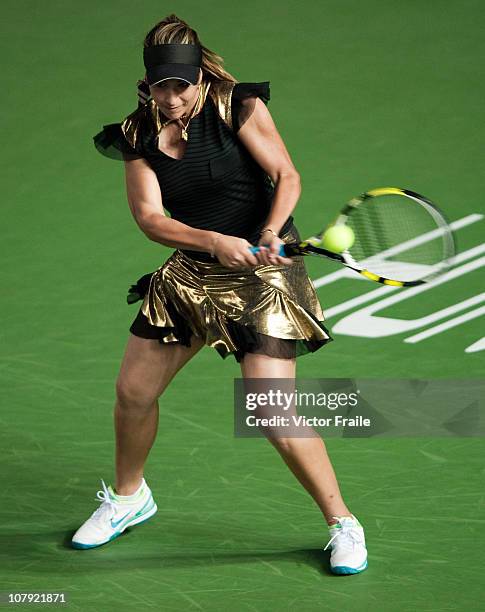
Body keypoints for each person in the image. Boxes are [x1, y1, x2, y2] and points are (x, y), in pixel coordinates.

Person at [71, 14, 368, 575]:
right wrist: (211, 240)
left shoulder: (237, 106)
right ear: (148, 83)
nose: (172, 96)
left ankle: (343, 523)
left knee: (271, 411)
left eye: (181, 85)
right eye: (162, 85)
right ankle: (130, 498)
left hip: (263, 275)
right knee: (133, 391)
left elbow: (287, 175)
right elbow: (150, 218)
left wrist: (268, 232)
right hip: (193, 272)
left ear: (199, 78)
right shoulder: (137, 135)